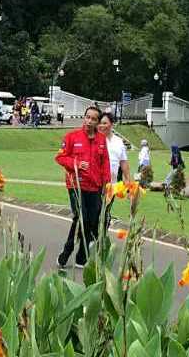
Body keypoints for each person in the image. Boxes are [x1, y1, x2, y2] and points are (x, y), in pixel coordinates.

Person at [55, 106, 110, 269]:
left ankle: (81, 257)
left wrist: (107, 183)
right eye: (87, 117)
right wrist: (77, 164)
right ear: (84, 118)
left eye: (93, 119)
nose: (89, 121)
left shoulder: (101, 139)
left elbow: (105, 162)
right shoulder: (72, 137)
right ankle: (67, 251)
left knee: (92, 221)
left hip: (95, 187)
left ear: (97, 122)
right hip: (76, 186)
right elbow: (60, 157)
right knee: (81, 219)